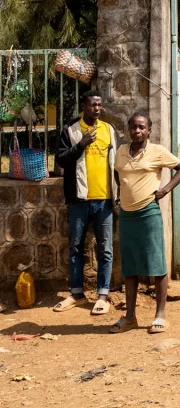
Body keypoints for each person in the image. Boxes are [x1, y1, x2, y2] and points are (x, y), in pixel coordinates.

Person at [109, 113, 180, 334]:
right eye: (133, 127)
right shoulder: (121, 152)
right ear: (128, 129)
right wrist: (121, 193)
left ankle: (160, 315)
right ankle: (130, 317)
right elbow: (118, 174)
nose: (137, 131)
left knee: (157, 264)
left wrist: (164, 190)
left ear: (149, 131)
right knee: (130, 266)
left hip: (148, 214)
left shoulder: (157, 151)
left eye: (142, 127)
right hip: (126, 215)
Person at [53, 90, 118, 315]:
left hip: (104, 200)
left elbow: (115, 163)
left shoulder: (109, 129)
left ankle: (102, 294)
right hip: (78, 199)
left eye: (99, 105)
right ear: (84, 106)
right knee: (75, 248)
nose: (97, 109)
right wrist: (81, 144)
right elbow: (60, 159)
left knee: (105, 249)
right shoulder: (70, 130)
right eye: (92, 105)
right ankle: (77, 294)